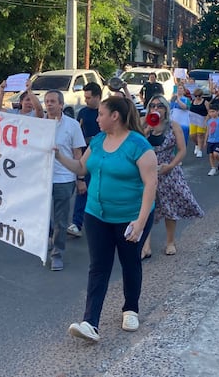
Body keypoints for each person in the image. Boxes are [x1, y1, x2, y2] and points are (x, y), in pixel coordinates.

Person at [55, 96, 157, 342]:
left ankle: (130, 308)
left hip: (129, 217)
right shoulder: (99, 141)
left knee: (130, 261)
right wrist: (58, 156)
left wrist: (141, 222)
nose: (96, 118)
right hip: (96, 214)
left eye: (101, 114)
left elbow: (151, 183)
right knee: (98, 267)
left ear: (115, 116)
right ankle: (90, 323)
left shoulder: (138, 145)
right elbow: (81, 168)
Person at [141, 95, 204, 258]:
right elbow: (135, 145)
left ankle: (170, 242)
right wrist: (146, 130)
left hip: (167, 169)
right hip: (147, 170)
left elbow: (182, 150)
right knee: (146, 208)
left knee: (170, 207)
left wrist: (171, 165)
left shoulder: (173, 126)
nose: (155, 109)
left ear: (166, 109)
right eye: (152, 106)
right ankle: (145, 244)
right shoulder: (144, 124)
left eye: (159, 106)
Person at [45, 89, 86, 271]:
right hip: (42, 178)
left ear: (61, 104)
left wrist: (80, 179)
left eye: (53, 101)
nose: (49, 104)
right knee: (42, 215)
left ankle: (57, 254)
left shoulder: (72, 125)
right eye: (47, 101)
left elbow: (78, 153)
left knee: (61, 219)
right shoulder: (39, 124)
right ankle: (52, 238)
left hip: (64, 178)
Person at [68, 82, 103, 238]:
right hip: (86, 152)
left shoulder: (105, 111)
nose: (86, 100)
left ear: (97, 97)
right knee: (82, 188)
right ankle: (77, 223)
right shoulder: (82, 112)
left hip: (104, 154)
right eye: (85, 97)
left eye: (89, 97)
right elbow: (78, 133)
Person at [203, 103, 219, 176]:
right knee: (211, 155)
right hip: (210, 140)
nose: (211, 113)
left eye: (213, 111)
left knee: (216, 154)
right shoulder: (209, 121)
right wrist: (205, 141)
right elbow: (208, 131)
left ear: (218, 112)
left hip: (218, 141)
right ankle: (213, 168)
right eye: (210, 112)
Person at [188, 87, 208, 158]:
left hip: (202, 119)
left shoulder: (205, 102)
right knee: (192, 135)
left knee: (200, 134)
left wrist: (206, 120)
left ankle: (199, 150)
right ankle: (197, 144)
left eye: (199, 96)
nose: (197, 97)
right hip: (193, 120)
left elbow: (209, 112)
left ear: (202, 95)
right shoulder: (192, 101)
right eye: (196, 96)